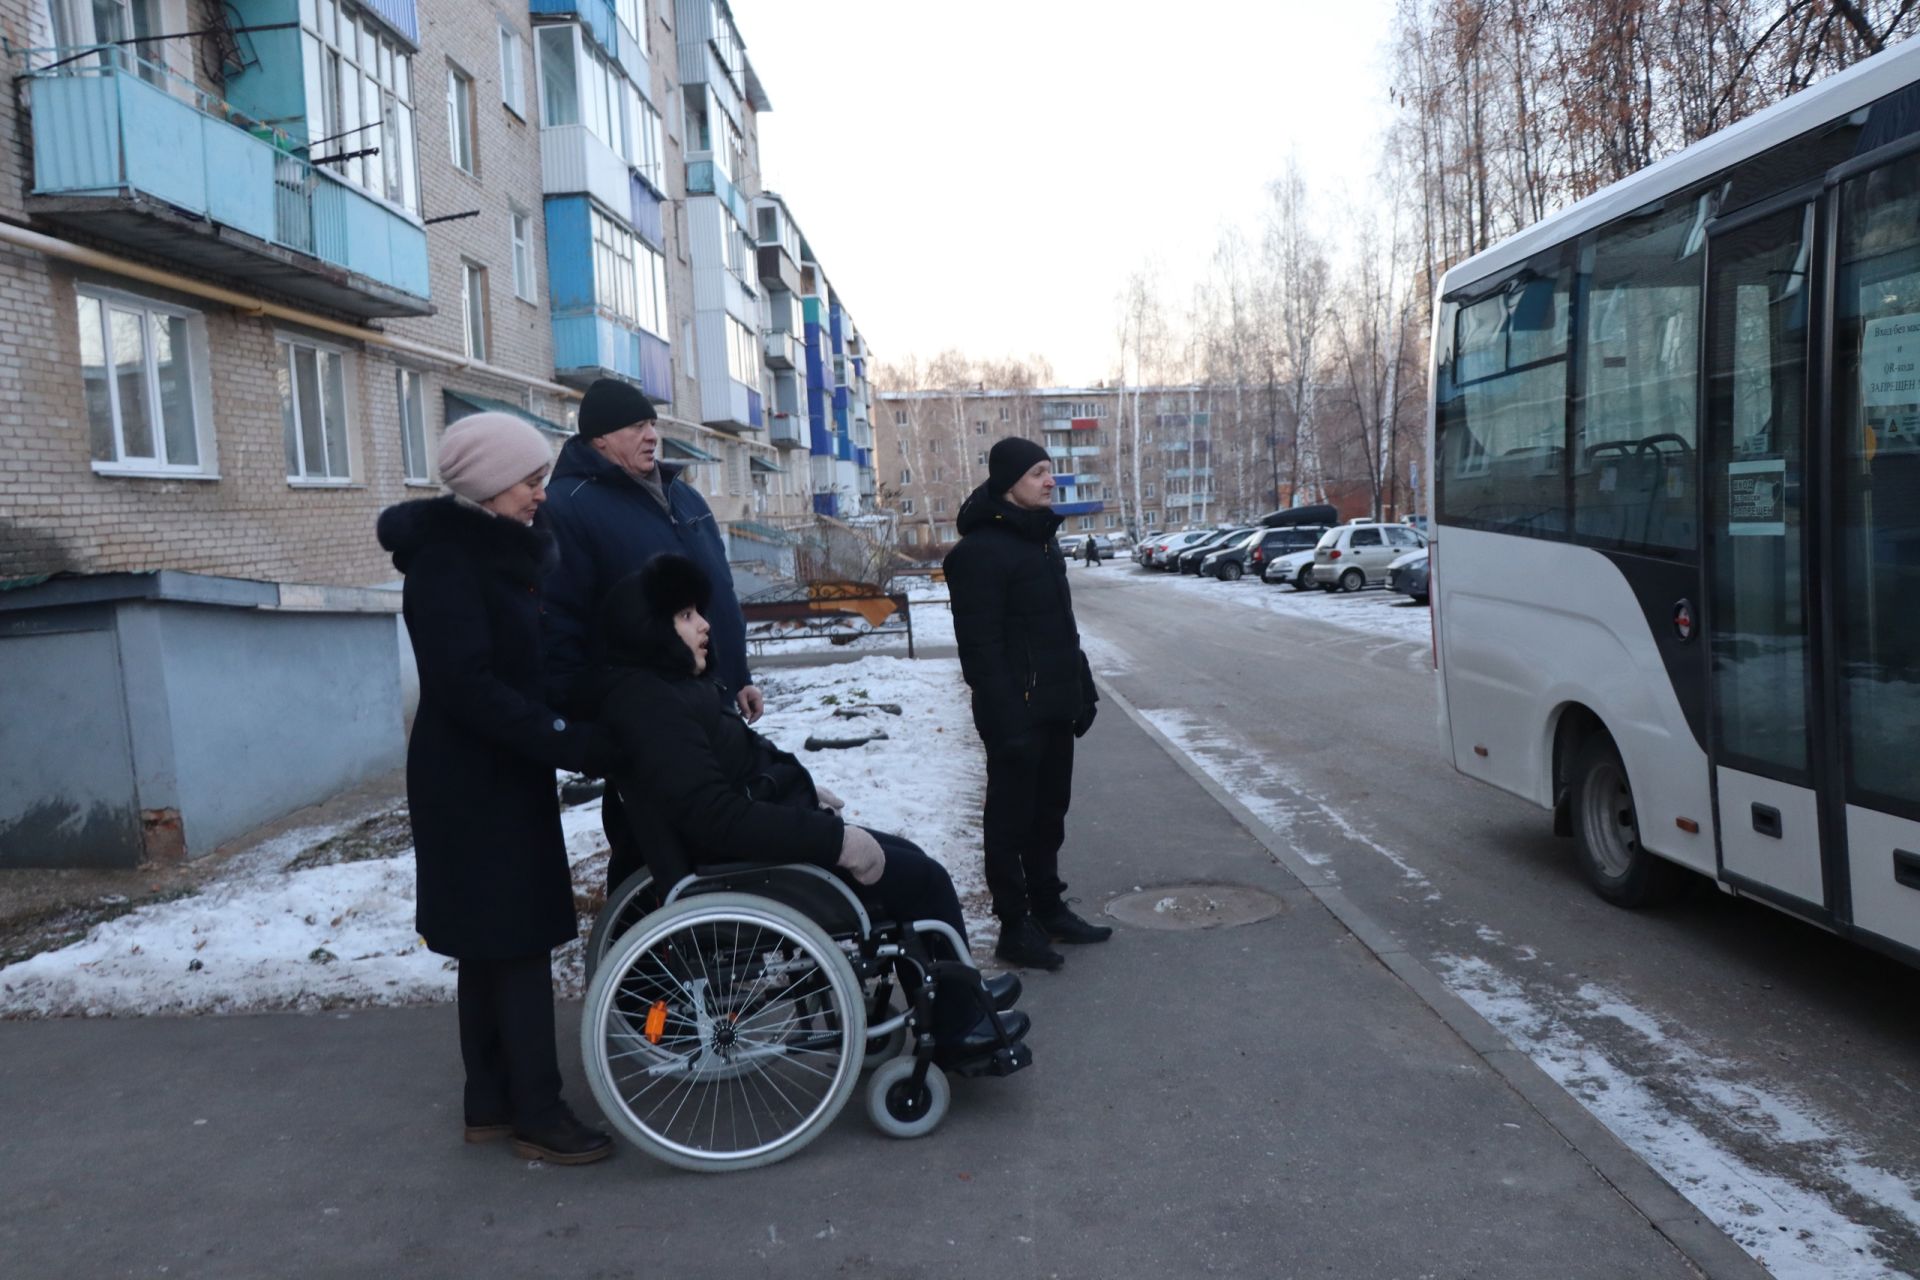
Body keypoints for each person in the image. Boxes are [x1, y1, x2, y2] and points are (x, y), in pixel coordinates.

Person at [590, 553, 1027, 1056]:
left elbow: (737, 766)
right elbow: (717, 817)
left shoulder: (673, 688)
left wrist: (799, 791)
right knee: (923, 882)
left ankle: (955, 992)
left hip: (751, 849)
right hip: (741, 868)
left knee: (910, 861)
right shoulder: (657, 706)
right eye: (687, 616)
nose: (705, 624)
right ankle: (956, 1027)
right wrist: (835, 841)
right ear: (651, 629)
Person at [376, 412, 616, 1167]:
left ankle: (490, 1101)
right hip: (473, 779)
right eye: (530, 480)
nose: (541, 494)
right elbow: (470, 686)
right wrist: (563, 739)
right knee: (513, 943)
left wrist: (586, 706)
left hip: (491, 770)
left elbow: (517, 670)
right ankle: (537, 1114)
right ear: (485, 486)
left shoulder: (483, 557)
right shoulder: (451, 565)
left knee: (490, 944)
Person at [538, 378, 763, 897]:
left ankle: (716, 943)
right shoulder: (568, 507)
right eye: (636, 426)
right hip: (646, 712)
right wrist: (588, 716)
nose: (651, 435)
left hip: (707, 697)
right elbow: (562, 619)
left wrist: (739, 675)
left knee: (717, 834)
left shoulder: (681, 494)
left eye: (652, 423)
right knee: (652, 847)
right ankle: (641, 963)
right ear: (598, 439)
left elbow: (718, 594)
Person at [944, 438, 1113, 972]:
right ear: (1009, 480)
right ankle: (1014, 925)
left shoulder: (1042, 542)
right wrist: (1004, 716)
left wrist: (1080, 687)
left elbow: (1061, 630)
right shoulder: (978, 553)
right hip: (1015, 713)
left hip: (1055, 706)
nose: (1050, 480)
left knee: (1049, 816)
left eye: (1051, 471)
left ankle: (1048, 907)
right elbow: (980, 649)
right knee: (1010, 821)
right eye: (1039, 472)